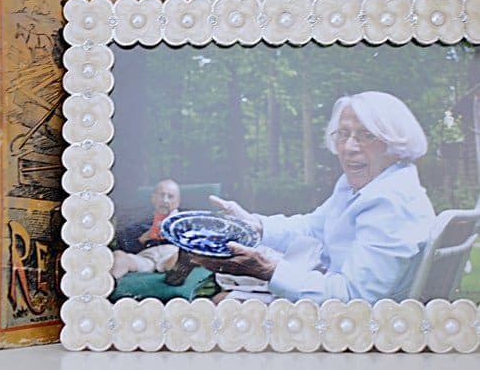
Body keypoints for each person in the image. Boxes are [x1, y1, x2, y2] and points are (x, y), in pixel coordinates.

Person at [192, 91, 436, 304]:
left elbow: (355, 299)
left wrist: (268, 270)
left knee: (221, 306)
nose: (349, 147)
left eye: (366, 135)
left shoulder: (390, 202)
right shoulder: (366, 185)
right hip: (344, 313)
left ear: (396, 143)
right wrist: (256, 226)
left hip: (359, 331)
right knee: (222, 301)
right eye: (343, 134)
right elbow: (312, 228)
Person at [111, 179, 182, 279]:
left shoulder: (185, 219)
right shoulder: (140, 218)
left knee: (181, 257)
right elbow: (124, 245)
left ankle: (174, 275)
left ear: (177, 202)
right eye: (162, 195)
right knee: (118, 256)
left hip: (172, 255)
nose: (165, 200)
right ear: (153, 198)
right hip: (146, 257)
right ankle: (107, 288)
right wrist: (143, 238)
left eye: (170, 197)